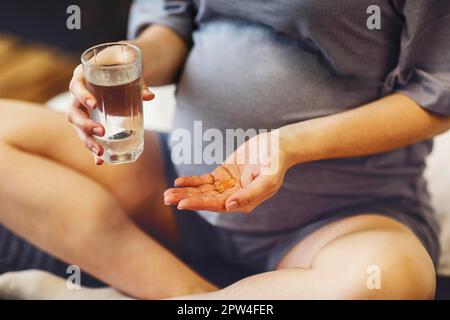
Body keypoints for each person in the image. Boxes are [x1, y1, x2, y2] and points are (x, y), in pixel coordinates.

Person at [1, 0, 450, 299]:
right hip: (181, 186)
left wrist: (290, 145)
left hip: (338, 216)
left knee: (390, 277)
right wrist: (128, 63)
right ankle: (191, 297)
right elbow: (171, 30)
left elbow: (437, 96)